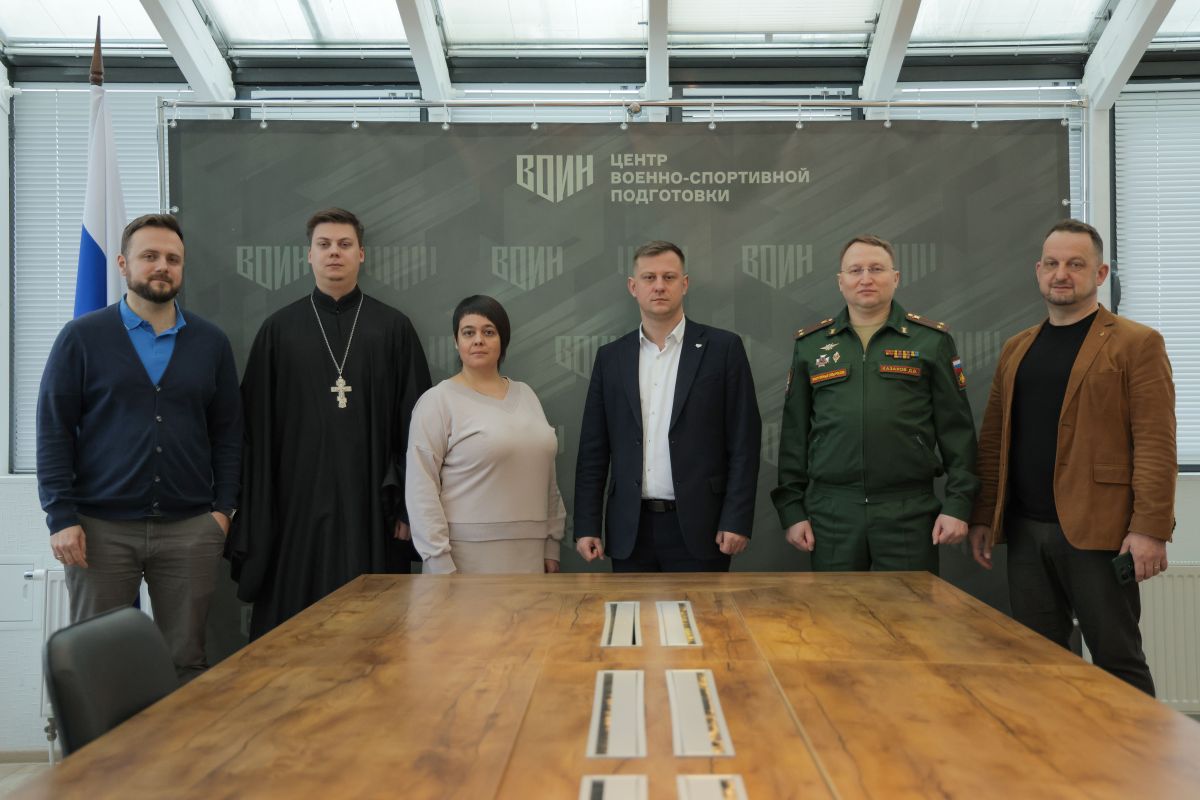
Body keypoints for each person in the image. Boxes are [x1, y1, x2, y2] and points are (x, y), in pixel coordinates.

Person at [968, 219, 1175, 696]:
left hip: (1101, 532)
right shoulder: (1017, 348)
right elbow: (995, 440)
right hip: (1026, 531)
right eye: (1053, 264)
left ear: (1100, 274)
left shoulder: (1137, 343)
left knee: (1118, 660)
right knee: (1041, 664)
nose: (1061, 274)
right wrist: (984, 514)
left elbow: (1155, 442)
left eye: (1075, 264)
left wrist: (1149, 529)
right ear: (1038, 271)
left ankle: (1134, 748)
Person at [36, 213, 242, 681]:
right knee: (97, 665)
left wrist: (222, 512)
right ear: (123, 264)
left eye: (173, 258)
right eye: (150, 256)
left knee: (186, 662)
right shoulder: (82, 337)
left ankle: (177, 737)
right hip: (98, 531)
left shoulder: (210, 343)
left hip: (190, 529)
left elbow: (229, 433)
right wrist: (61, 517)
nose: (162, 266)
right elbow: (53, 429)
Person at [228, 207, 431, 638]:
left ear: (361, 254)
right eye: (324, 245)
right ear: (309, 255)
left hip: (372, 504)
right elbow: (253, 432)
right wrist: (259, 511)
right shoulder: (278, 331)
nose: (334, 253)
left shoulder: (393, 329)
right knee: (295, 631)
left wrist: (406, 506)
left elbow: (417, 427)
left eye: (344, 244)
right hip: (295, 507)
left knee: (375, 634)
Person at [772, 234, 978, 573]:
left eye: (876, 269)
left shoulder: (931, 341)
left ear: (895, 278)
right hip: (833, 512)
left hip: (908, 510)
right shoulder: (811, 345)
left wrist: (958, 505)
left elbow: (957, 432)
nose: (866, 278)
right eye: (855, 270)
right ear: (841, 281)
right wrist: (792, 510)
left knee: (909, 608)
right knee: (837, 608)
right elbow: (794, 435)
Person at [574, 241, 761, 572]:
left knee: (703, 610)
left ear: (684, 284)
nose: (659, 286)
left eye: (669, 277)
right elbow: (593, 450)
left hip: (703, 529)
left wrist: (736, 519)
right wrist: (587, 524)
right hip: (631, 530)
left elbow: (744, 442)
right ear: (633, 287)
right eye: (649, 277)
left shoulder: (723, 349)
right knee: (631, 610)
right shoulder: (611, 358)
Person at [406, 296, 565, 574]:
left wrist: (552, 543)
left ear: (503, 340)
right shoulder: (438, 401)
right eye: (468, 332)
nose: (478, 340)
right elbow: (421, 488)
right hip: (462, 564)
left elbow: (547, 475)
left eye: (488, 332)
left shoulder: (527, 395)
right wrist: (438, 561)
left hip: (531, 559)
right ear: (456, 341)